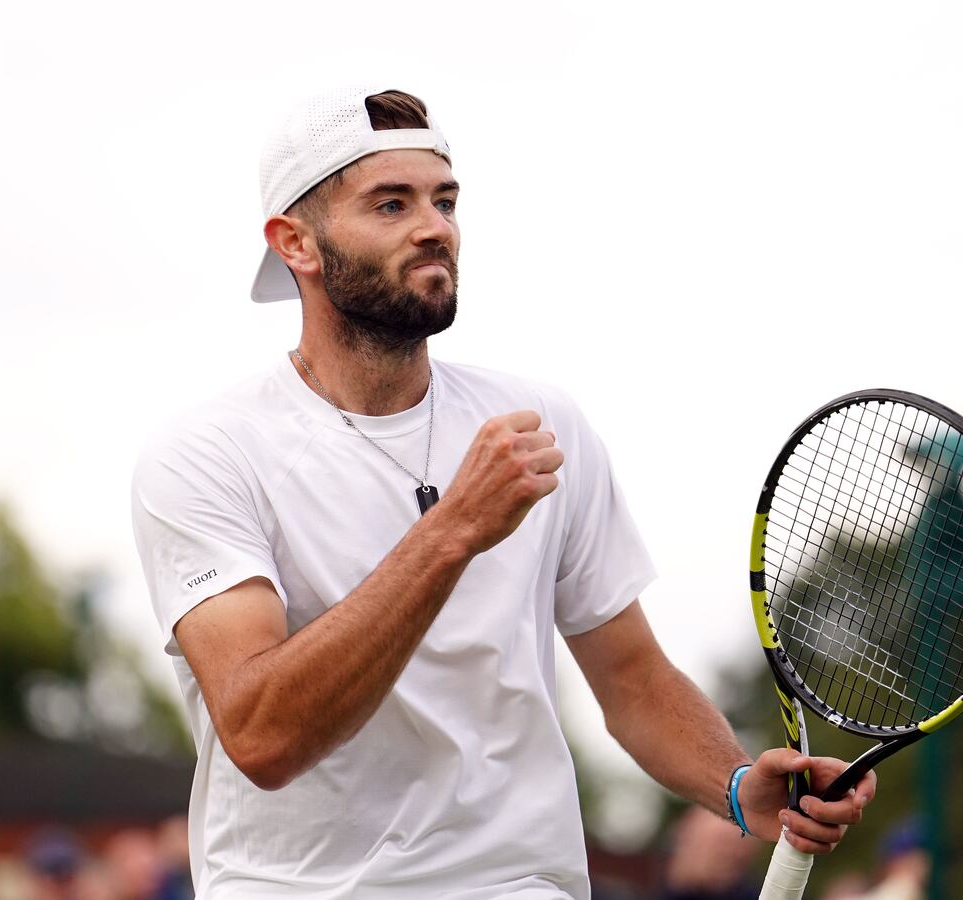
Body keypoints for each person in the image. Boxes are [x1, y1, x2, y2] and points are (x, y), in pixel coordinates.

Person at [131, 85, 877, 899]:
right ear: (296, 244)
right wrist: (452, 528)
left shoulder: (540, 423)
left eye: (444, 200)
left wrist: (736, 787)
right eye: (391, 203)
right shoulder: (205, 455)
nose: (434, 227)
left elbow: (631, 680)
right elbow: (262, 733)